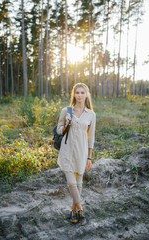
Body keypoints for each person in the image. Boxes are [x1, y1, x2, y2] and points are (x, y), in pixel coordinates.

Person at [57, 83, 96, 224]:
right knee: (72, 183)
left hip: (82, 152)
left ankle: (73, 210)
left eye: (82, 92)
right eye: (77, 92)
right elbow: (58, 130)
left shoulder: (91, 114)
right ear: (74, 94)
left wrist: (89, 157)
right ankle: (81, 209)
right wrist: (66, 123)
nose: (79, 95)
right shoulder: (66, 111)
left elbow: (91, 137)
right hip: (67, 151)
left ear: (86, 95)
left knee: (79, 184)